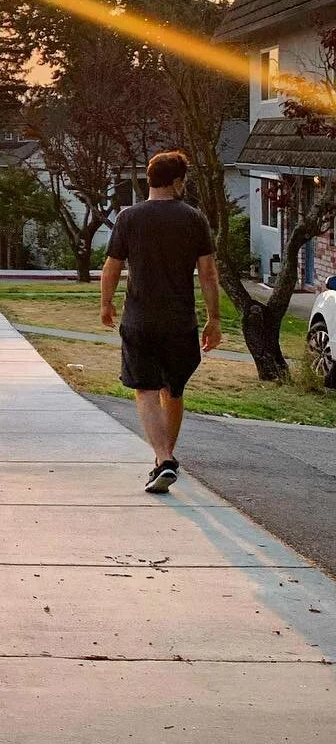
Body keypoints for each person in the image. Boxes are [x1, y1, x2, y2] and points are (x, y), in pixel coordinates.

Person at [100, 150, 222, 494]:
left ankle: (164, 459)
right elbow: (208, 274)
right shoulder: (193, 219)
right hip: (181, 322)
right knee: (174, 389)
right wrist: (214, 320)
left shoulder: (129, 218)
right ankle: (163, 460)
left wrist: (106, 304)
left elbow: (112, 267)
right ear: (178, 181)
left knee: (146, 390)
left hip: (140, 319)